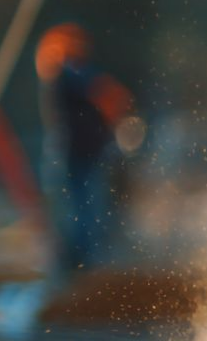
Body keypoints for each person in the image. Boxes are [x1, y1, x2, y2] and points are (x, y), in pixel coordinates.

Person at [35, 23, 141, 275]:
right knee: (85, 212)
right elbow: (110, 93)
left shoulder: (56, 73)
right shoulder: (71, 70)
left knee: (73, 211)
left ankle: (73, 270)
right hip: (80, 154)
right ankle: (83, 270)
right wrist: (119, 114)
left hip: (69, 152)